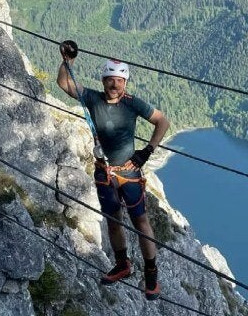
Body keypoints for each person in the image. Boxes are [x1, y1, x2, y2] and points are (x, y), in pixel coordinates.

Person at [56, 41, 170, 300]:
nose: (114, 84)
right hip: (104, 172)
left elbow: (162, 121)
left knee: (141, 222)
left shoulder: (132, 103)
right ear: (104, 80)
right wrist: (68, 61)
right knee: (114, 221)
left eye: (119, 80)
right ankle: (123, 264)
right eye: (110, 79)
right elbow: (64, 83)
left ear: (125, 83)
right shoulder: (93, 99)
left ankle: (151, 274)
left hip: (128, 171)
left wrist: (147, 152)